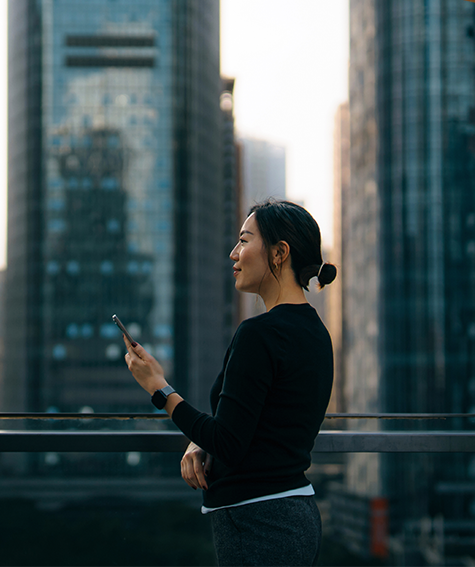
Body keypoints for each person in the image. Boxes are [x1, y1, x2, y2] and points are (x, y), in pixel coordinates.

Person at [121, 198, 337, 567]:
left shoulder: (259, 334)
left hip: (259, 523)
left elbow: (230, 442)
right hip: (293, 515)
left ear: (279, 253)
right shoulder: (316, 332)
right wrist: (200, 442)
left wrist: (160, 388)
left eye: (244, 240)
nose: (233, 253)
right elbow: (258, 427)